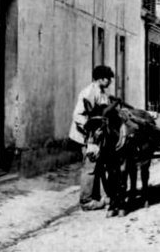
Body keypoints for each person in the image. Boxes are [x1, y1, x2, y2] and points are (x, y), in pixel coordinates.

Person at [69, 65, 114, 211]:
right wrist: (90, 128)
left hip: (97, 136)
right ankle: (86, 201)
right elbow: (77, 115)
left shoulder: (101, 92)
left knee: (98, 166)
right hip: (86, 136)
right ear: (100, 79)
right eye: (108, 78)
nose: (110, 81)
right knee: (90, 166)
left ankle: (96, 197)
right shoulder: (88, 92)